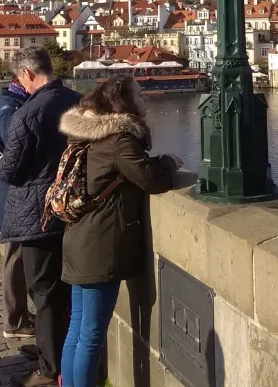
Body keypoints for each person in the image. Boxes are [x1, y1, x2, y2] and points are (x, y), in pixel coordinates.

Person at [57, 75, 181, 387]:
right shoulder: (119, 138)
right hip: (101, 245)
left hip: (79, 237)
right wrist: (168, 162)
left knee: (78, 328)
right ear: (123, 102)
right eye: (140, 94)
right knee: (91, 334)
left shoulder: (87, 134)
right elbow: (150, 179)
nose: (146, 97)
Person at [0, 47, 81, 387]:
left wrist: (2, 160)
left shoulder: (28, 112)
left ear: (28, 74)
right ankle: (56, 349)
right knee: (64, 288)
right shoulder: (79, 100)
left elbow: (10, 170)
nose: (22, 84)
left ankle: (49, 368)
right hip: (73, 209)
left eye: (20, 78)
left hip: (37, 214)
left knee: (43, 291)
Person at [0, 79, 36, 339]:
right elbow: (16, 156)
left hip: (14, 198)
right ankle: (14, 321)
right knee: (14, 260)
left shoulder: (13, 105)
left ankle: (19, 315)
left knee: (18, 259)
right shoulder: (9, 111)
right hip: (13, 198)